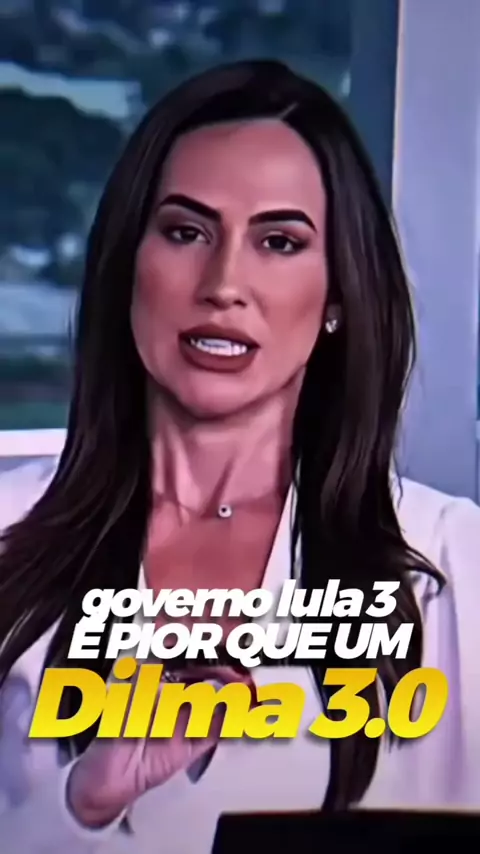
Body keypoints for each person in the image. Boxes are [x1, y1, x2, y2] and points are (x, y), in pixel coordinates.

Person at [0, 59, 478, 854]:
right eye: (185, 232)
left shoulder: (452, 569)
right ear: (129, 264)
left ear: (337, 296)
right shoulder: (9, 532)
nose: (223, 283)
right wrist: (82, 804)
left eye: (279, 242)